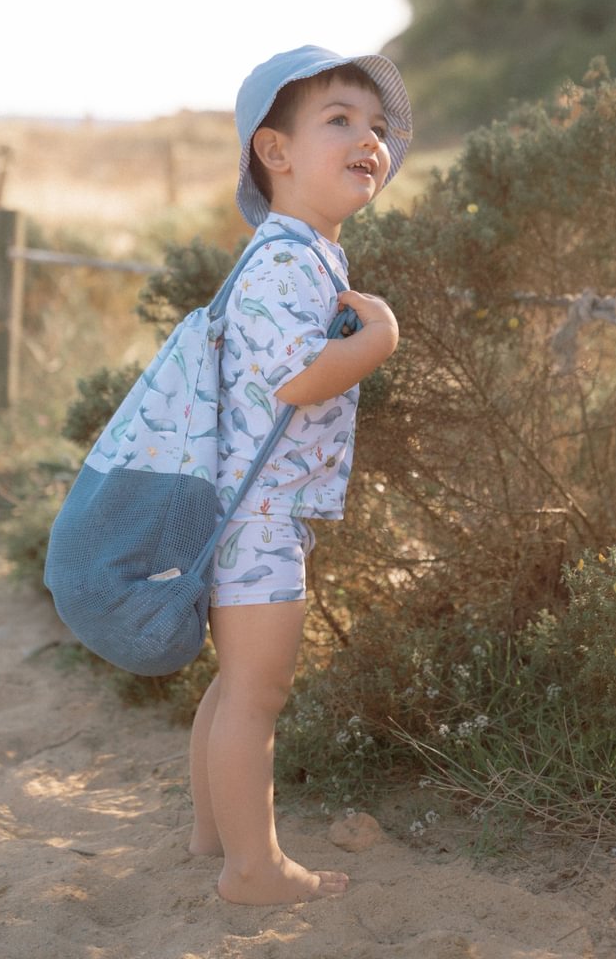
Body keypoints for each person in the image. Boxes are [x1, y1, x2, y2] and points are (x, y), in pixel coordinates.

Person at [187, 44, 412, 905]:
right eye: (341, 120)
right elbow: (296, 377)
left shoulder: (303, 252)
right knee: (258, 694)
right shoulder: (286, 259)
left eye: (379, 127)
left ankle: (213, 834)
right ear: (274, 152)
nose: (371, 139)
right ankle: (253, 869)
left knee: (234, 685)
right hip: (260, 517)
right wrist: (377, 342)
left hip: (251, 509)